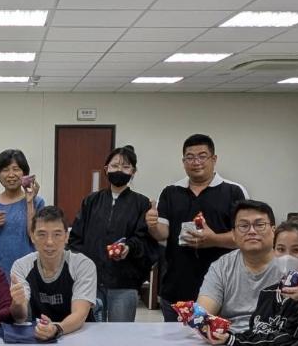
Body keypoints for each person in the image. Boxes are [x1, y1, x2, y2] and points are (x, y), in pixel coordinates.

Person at [146, 134, 247, 319]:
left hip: (222, 290)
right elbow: (162, 234)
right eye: (190, 157)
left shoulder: (234, 191)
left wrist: (213, 240)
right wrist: (152, 224)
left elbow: (244, 238)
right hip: (176, 287)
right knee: (173, 345)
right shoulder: (171, 191)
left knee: (215, 343)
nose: (196, 162)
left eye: (202, 156)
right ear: (183, 161)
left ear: (214, 159)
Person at [206, 218, 298, 346]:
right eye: (281, 249)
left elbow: (284, 345)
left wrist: (232, 340)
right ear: (274, 250)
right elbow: (254, 334)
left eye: (296, 250)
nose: (287, 257)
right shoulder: (268, 293)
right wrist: (223, 334)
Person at [68, 145, 155, 322]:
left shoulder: (141, 203)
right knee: (89, 333)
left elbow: (143, 239)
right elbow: (76, 238)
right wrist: (79, 270)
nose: (119, 170)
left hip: (124, 282)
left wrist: (128, 248)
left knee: (120, 336)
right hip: (90, 282)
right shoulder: (91, 200)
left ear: (133, 171)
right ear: (106, 169)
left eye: (125, 166)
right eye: (115, 166)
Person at [10, 206, 97, 341]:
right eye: (42, 234)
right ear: (32, 236)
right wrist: (17, 304)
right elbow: (20, 317)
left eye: (57, 234)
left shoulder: (82, 265)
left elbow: (80, 313)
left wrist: (57, 329)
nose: (49, 242)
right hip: (40, 336)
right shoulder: (21, 266)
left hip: (79, 337)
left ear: (66, 236)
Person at [195, 200, 282, 333]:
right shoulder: (222, 267)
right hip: (229, 341)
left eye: (259, 225)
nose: (252, 231)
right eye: (243, 226)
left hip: (275, 341)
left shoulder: (288, 265)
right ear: (234, 235)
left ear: (273, 231)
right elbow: (202, 313)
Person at [0, 149, 45, 275]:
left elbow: (36, 238)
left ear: (24, 173)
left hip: (28, 270)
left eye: (16, 169)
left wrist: (29, 202)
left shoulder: (37, 202)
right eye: (5, 170)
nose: (11, 174)